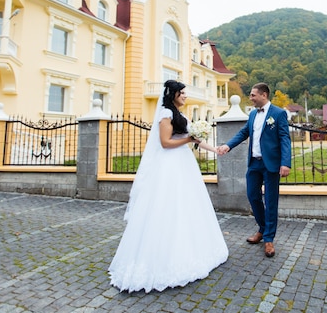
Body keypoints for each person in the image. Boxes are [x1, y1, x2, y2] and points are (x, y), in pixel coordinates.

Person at [108, 80, 228, 293]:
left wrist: (214, 149)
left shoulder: (180, 114)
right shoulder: (166, 114)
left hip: (183, 163)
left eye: (185, 92)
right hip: (169, 164)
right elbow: (165, 142)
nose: (184, 96)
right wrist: (188, 138)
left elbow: (195, 140)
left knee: (187, 205)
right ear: (172, 94)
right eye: (181, 93)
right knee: (169, 205)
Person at [217, 83, 291, 258]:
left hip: (271, 164)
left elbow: (285, 139)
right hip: (254, 164)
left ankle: (268, 239)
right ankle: (263, 229)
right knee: (252, 196)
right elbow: (243, 133)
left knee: (271, 201)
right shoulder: (252, 114)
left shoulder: (278, 114)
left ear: (263, 95)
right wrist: (228, 146)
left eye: (253, 95)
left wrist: (285, 163)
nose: (250, 98)